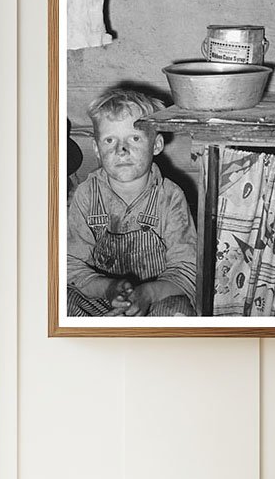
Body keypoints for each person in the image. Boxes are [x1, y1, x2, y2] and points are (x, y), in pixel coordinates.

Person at [66, 88, 196, 317]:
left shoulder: (170, 197)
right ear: (96, 149)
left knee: (178, 311)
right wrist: (108, 288)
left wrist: (147, 294)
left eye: (134, 138)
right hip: (101, 298)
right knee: (59, 302)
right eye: (109, 140)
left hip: (156, 298)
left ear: (156, 145)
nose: (121, 150)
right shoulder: (86, 194)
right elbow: (70, 266)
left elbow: (188, 271)